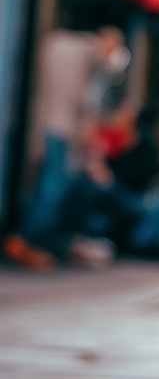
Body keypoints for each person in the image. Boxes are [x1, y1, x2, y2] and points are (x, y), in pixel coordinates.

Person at [3, 26, 129, 269]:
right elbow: (82, 102)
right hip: (61, 132)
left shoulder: (65, 47)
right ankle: (26, 241)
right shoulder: (83, 57)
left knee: (52, 187)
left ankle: (36, 241)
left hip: (52, 129)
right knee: (54, 189)